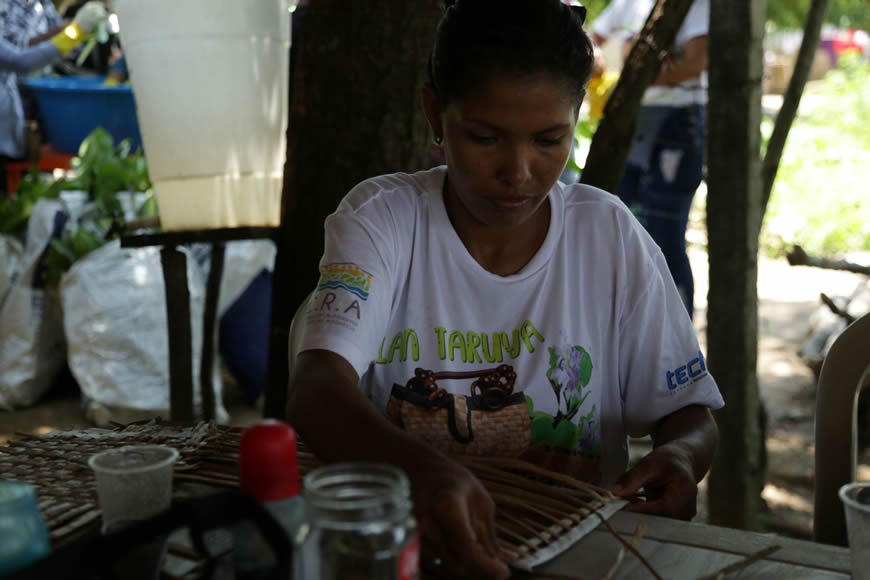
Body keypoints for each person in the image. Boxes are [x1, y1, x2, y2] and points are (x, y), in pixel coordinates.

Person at [287, 1, 723, 578]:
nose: (518, 171)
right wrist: (422, 472)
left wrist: (680, 457)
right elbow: (316, 390)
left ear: (576, 119)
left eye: (548, 140)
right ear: (435, 112)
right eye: (486, 137)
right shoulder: (384, 221)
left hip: (578, 561)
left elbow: (690, 415)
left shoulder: (608, 236)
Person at [590, 0, 709, 319]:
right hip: (631, 125)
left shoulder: (695, 5)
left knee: (666, 236)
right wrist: (597, 57)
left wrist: (632, 68)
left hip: (676, 127)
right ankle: (634, 332)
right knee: (627, 234)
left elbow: (694, 63)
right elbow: (591, 40)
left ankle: (679, 337)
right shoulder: (627, 3)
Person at [0, 2, 107, 161]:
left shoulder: (43, 4)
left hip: (36, 97)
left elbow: (65, 52)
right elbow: (18, 60)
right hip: (20, 96)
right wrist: (74, 33)